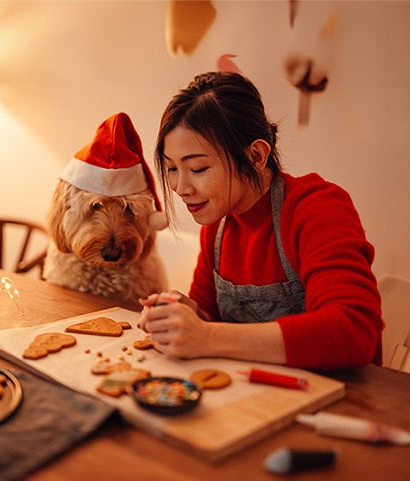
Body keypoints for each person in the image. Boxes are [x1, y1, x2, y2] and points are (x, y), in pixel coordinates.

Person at [138, 71, 383, 370]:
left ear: (256, 155)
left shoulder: (316, 207)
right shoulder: (217, 224)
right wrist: (191, 316)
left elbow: (352, 332)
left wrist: (207, 336)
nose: (180, 188)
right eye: (172, 169)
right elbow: (213, 322)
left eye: (198, 168)